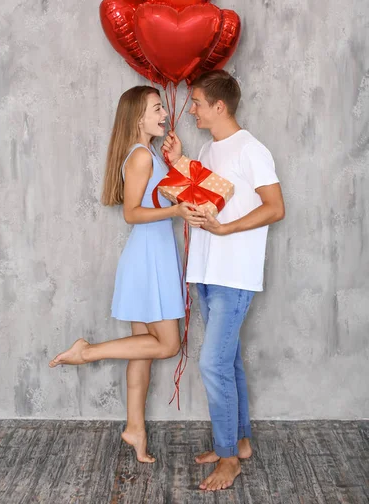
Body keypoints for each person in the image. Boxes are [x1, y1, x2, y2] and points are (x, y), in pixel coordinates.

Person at [49, 85, 206, 463]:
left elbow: (156, 198)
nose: (165, 115)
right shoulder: (139, 158)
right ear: (137, 116)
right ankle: (87, 352)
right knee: (167, 345)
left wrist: (175, 160)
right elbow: (132, 213)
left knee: (144, 353)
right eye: (156, 109)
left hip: (153, 254)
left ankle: (135, 428)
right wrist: (176, 212)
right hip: (148, 256)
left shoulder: (148, 154)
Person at [162, 70, 285, 491]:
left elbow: (275, 207)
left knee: (212, 363)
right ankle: (240, 442)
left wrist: (226, 231)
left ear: (219, 106)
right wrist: (179, 162)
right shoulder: (210, 148)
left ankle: (229, 459)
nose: (190, 109)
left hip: (234, 274)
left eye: (195, 102)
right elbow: (209, 194)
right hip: (207, 272)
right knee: (228, 361)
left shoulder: (252, 149)